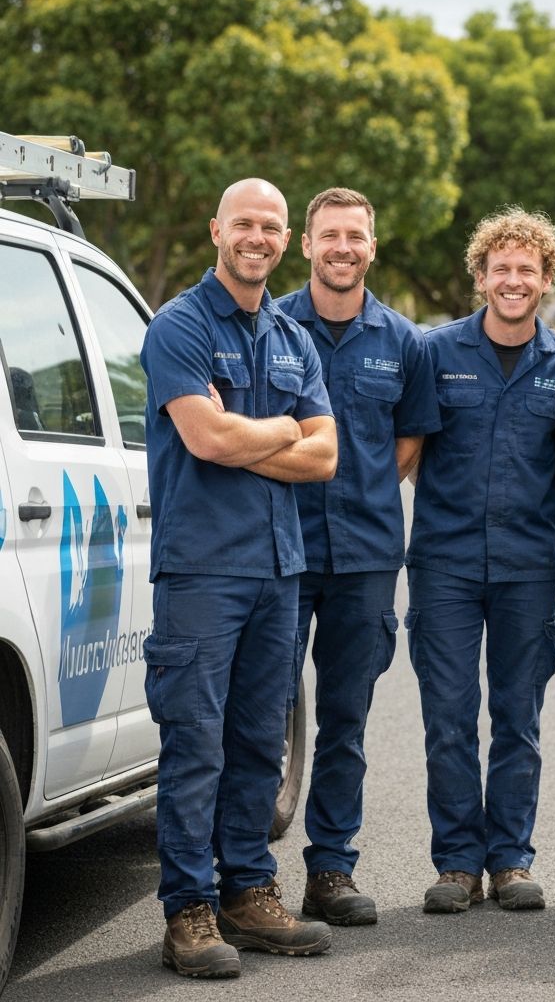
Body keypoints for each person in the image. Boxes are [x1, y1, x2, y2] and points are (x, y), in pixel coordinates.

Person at [140, 178, 337, 978]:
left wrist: (253, 431)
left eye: (272, 227)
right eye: (244, 223)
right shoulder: (178, 326)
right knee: (196, 743)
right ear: (217, 229)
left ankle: (248, 894)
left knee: (259, 742)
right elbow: (205, 440)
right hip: (202, 572)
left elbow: (324, 457)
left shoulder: (293, 336)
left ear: (285, 241)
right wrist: (283, 427)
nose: (257, 237)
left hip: (278, 571)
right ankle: (187, 910)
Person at [274, 188, 440, 927]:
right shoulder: (269, 327)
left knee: (345, 721)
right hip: (277, 550)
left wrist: (362, 482)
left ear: (372, 247)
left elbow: (407, 446)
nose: (343, 248)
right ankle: (248, 877)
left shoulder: (404, 342)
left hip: (367, 554)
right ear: (306, 245)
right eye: (329, 235)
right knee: (260, 717)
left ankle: (331, 871)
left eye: (356, 237)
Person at [405, 206, 555, 914]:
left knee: (518, 717)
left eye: (525, 270)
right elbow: (411, 454)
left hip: (529, 566)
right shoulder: (435, 354)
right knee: (447, 714)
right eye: (500, 268)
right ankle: (456, 865)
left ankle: (510, 859)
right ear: (480, 277)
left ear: (545, 279)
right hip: (443, 563)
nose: (512, 280)